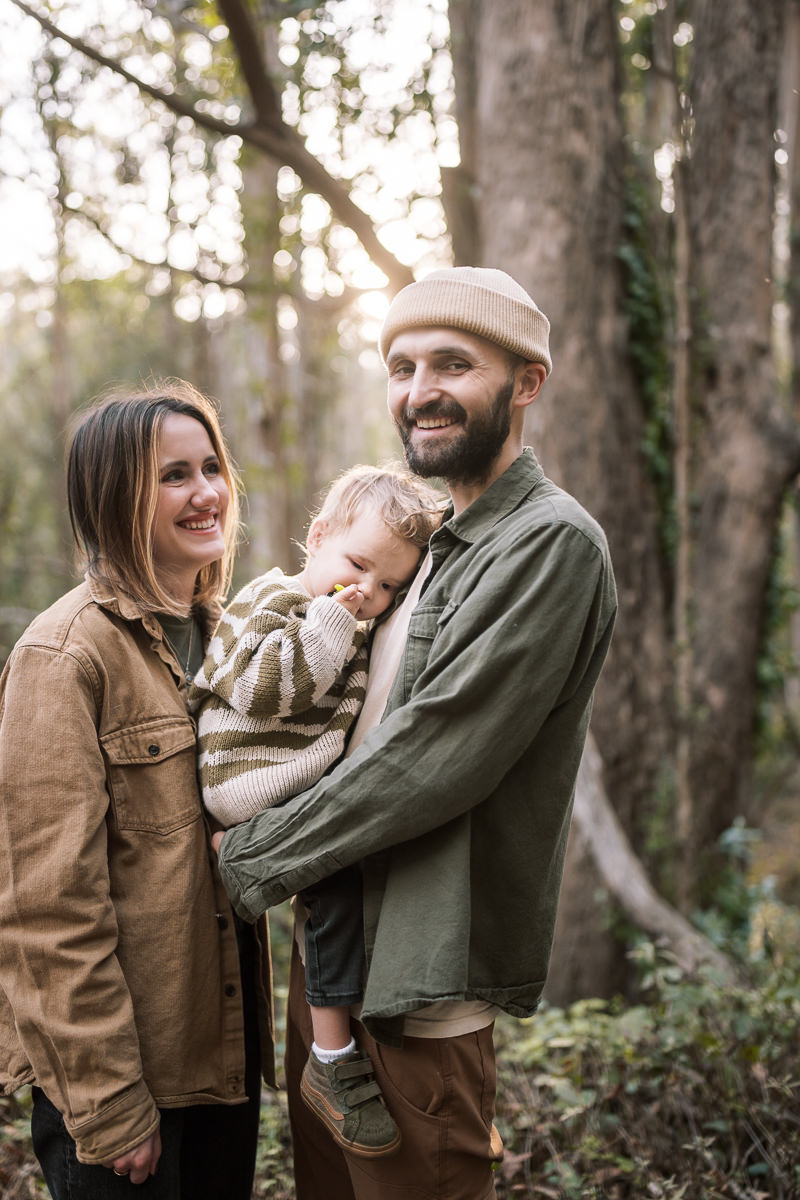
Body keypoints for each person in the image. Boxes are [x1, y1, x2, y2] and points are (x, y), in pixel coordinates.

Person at [213, 266, 618, 1200]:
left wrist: (250, 857)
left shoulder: (549, 544)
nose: (419, 390)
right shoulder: (430, 543)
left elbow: (434, 759)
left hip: (416, 992)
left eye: (452, 364)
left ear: (525, 383)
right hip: (335, 971)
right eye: (401, 367)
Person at [0, 381, 274, 1199]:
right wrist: (111, 1103)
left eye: (212, 467)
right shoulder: (64, 657)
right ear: (116, 498)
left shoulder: (233, 639)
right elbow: (46, 909)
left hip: (220, 1055)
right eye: (174, 476)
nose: (208, 494)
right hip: (127, 1082)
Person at [190, 464, 441, 1157]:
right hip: (245, 779)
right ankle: (330, 1060)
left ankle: (333, 1041)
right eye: (359, 566)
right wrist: (332, 618)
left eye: (390, 586)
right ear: (319, 535)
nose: (369, 592)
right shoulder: (270, 598)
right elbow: (268, 688)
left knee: (338, 880)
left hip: (289, 785)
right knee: (330, 879)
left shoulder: (357, 626)